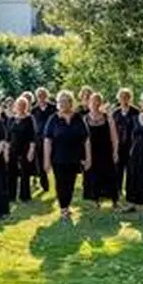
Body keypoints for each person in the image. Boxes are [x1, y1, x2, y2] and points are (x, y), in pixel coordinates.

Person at [43, 90, 91, 221]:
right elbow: (47, 140)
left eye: (66, 101)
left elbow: (86, 139)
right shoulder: (53, 119)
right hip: (58, 157)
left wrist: (88, 158)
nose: (63, 104)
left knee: (70, 183)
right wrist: (46, 160)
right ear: (58, 103)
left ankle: (67, 205)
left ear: (71, 102)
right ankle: (63, 208)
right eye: (61, 101)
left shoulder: (78, 118)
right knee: (60, 183)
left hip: (75, 157)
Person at [82, 92, 118, 207]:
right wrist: (84, 156)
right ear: (89, 103)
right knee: (92, 176)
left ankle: (114, 201)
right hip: (91, 152)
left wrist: (115, 152)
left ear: (101, 103)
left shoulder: (108, 118)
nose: (95, 104)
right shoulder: (85, 119)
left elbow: (114, 137)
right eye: (93, 102)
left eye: (98, 101)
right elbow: (83, 139)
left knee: (110, 175)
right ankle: (95, 199)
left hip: (106, 152)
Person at [6, 96, 37, 203]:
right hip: (12, 149)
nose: (21, 107)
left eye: (23, 105)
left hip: (25, 149)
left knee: (25, 173)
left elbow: (33, 137)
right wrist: (6, 151)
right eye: (19, 105)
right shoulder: (11, 119)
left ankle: (25, 196)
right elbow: (7, 137)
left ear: (26, 106)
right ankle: (11, 196)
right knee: (11, 173)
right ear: (16, 106)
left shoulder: (29, 119)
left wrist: (31, 151)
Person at [110, 89, 137, 204]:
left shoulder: (135, 112)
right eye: (122, 97)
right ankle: (118, 190)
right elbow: (112, 130)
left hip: (131, 145)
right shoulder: (115, 113)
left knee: (131, 170)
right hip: (118, 146)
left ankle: (130, 191)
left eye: (126, 97)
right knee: (117, 169)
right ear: (119, 98)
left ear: (130, 98)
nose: (124, 99)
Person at [30, 88, 57, 192]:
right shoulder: (34, 110)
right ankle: (44, 184)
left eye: (43, 95)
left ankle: (58, 182)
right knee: (41, 162)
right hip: (39, 139)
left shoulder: (53, 108)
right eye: (39, 95)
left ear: (46, 96)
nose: (41, 97)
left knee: (55, 160)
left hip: (53, 138)